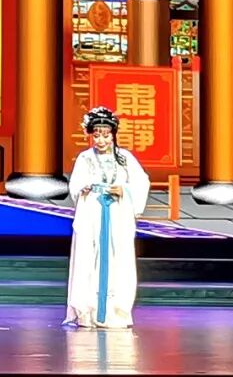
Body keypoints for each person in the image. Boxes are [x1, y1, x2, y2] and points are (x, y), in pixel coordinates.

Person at [63, 106, 150, 329]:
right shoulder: (85, 158)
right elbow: (76, 184)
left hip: (118, 212)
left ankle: (116, 312)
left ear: (113, 134)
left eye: (105, 135)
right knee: (89, 256)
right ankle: (88, 312)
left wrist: (124, 190)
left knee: (117, 257)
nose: (101, 140)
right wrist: (83, 188)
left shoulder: (125, 158)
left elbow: (141, 182)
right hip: (92, 210)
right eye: (96, 135)